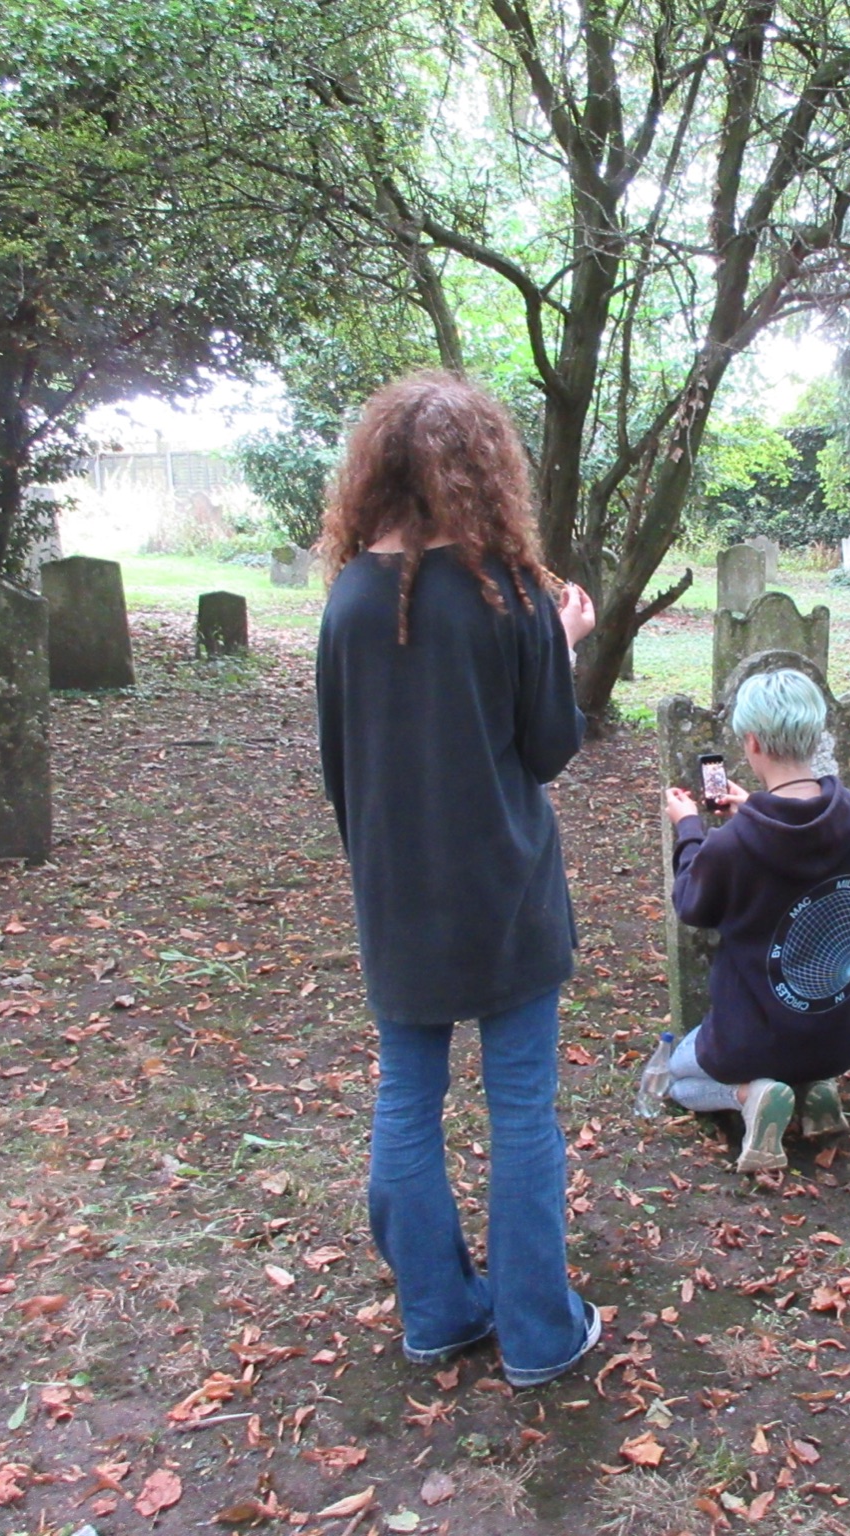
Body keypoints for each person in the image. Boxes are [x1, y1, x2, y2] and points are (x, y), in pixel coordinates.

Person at [316, 372, 604, 1389]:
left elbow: (340, 768)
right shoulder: (510, 596)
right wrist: (558, 644)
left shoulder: (351, 600)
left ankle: (437, 1312)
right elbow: (548, 748)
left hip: (399, 893)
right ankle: (537, 1334)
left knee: (408, 1098)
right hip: (506, 892)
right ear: (482, 469)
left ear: (379, 470)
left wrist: (381, 868)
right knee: (520, 1109)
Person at [659, 670, 850, 1173]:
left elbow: (692, 904)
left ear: (753, 742)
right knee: (808, 1055)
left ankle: (752, 1095)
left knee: (679, 1077)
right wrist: (757, 811)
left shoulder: (731, 844)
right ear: (816, 735)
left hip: (753, 1040)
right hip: (841, 1037)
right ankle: (816, 1090)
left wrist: (690, 828)